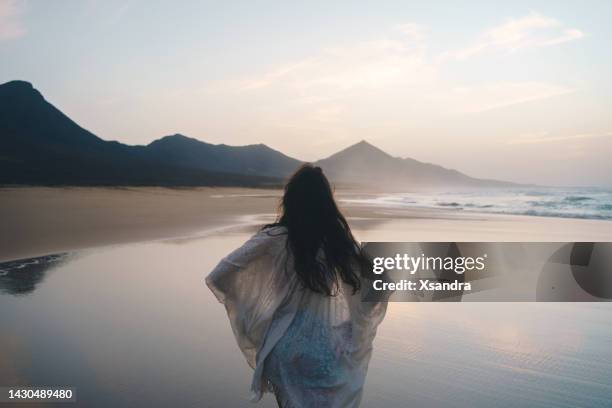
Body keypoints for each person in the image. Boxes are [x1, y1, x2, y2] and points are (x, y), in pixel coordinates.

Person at [206, 164, 389, 407]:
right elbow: (382, 282)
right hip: (328, 348)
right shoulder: (340, 243)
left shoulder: (277, 238)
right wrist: (350, 325)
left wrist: (260, 310)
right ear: (327, 202)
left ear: (291, 199)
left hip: (287, 346)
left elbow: (221, 275)